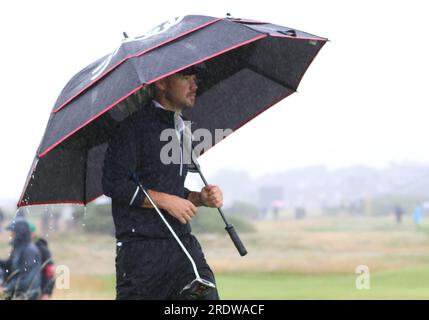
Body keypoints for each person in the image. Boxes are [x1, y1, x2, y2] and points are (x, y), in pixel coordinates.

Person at [102, 65, 223, 300]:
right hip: (141, 255)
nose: (194, 85)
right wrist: (166, 201)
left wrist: (199, 198)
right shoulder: (132, 128)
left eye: (194, 79)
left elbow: (171, 189)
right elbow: (114, 183)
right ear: (161, 83)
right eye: (186, 78)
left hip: (182, 247)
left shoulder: (182, 128)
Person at [0, 218, 41, 300]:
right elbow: (9, 267)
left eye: (13, 232)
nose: (11, 235)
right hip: (16, 292)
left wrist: (6, 289)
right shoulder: (18, 248)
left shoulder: (30, 250)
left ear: (20, 232)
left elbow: (26, 277)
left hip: (26, 294)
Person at [28, 222, 56, 299]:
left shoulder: (42, 249)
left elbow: (50, 271)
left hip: (39, 291)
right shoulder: (21, 248)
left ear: (33, 234)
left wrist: (46, 293)